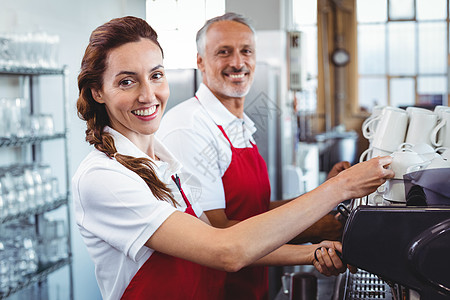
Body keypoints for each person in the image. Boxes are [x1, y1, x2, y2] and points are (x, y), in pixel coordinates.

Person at [73, 15, 394, 300]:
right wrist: (341, 189)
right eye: (126, 81)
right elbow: (227, 250)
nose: (147, 95)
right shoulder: (104, 177)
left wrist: (311, 253)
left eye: (156, 75)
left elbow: (219, 238)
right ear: (97, 92)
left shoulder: (164, 162)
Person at [157, 12, 351, 299]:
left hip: (247, 287)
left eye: (246, 51)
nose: (238, 62)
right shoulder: (188, 128)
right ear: (200, 61)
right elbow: (220, 233)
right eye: (224, 52)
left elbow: (253, 210)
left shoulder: (238, 125)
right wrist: (314, 231)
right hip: (209, 290)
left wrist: (326, 194)